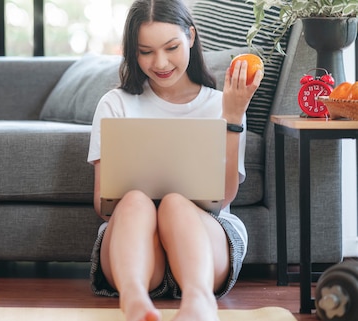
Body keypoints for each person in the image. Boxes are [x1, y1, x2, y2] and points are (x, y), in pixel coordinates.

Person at [86, 1, 263, 321]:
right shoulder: (115, 104)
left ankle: (199, 301)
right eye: (146, 51)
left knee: (175, 204)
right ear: (132, 52)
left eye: (171, 47)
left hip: (203, 239)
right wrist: (134, 200)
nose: (161, 62)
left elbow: (224, 198)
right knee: (136, 202)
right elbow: (103, 204)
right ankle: (135, 300)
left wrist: (233, 118)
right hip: (136, 247)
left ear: (191, 38)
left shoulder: (222, 103)